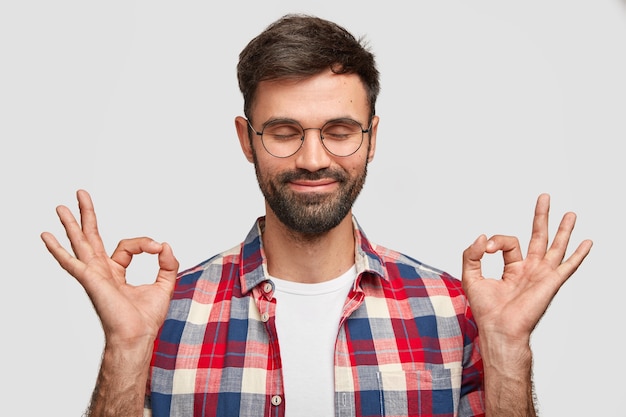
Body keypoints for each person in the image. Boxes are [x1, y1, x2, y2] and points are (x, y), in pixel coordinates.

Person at [41, 13, 592, 417]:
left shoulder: (454, 310)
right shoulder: (163, 316)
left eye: (339, 131)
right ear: (246, 139)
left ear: (371, 138)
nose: (312, 159)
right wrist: (127, 348)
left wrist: (506, 346)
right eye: (284, 133)